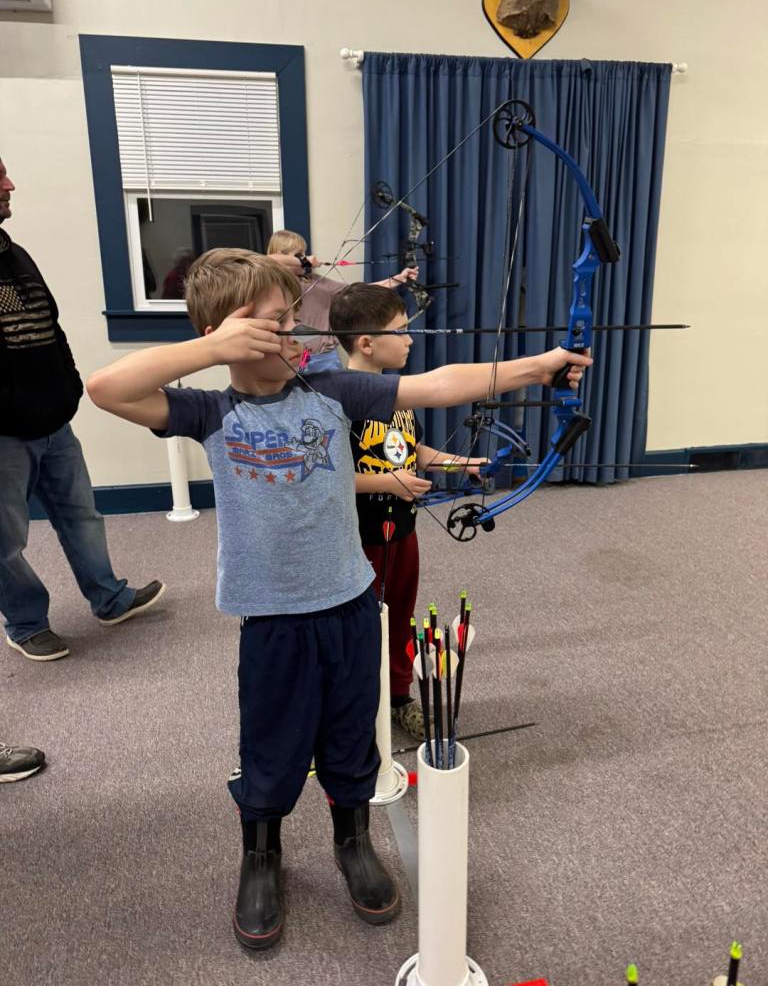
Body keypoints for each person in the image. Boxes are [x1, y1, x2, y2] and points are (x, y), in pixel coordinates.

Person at [85, 249, 590, 951]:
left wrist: (536, 367)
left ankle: (352, 841)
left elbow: (439, 385)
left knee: (354, 736)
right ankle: (261, 854)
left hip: (353, 604)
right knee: (272, 747)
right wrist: (210, 348)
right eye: (271, 324)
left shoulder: (331, 391)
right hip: (273, 620)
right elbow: (105, 387)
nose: (294, 335)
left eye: (293, 319)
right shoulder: (210, 410)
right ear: (228, 333)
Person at [0, 156, 166, 661]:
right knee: (5, 541)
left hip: (55, 420)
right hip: (4, 434)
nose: (10, 184)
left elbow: (54, 325)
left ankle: (109, 598)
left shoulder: (15, 253)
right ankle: (26, 623)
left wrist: (69, 387)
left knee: (82, 517)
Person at [330, 283, 486, 739]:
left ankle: (398, 697)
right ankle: (353, 711)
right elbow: (327, 476)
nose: (410, 339)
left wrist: (463, 462)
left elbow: (409, 448)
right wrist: (387, 482)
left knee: (400, 615)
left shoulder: (395, 395)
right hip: (357, 539)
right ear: (366, 343)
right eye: (400, 331)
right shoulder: (338, 400)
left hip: (403, 532)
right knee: (359, 627)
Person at [266, 229, 418, 373]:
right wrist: (302, 260)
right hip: (301, 356)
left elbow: (358, 291)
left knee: (333, 396)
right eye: (298, 255)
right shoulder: (274, 282)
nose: (304, 259)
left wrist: (398, 279)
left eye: (304, 254)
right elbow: (269, 260)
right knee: (303, 392)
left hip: (326, 356)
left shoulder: (315, 281)